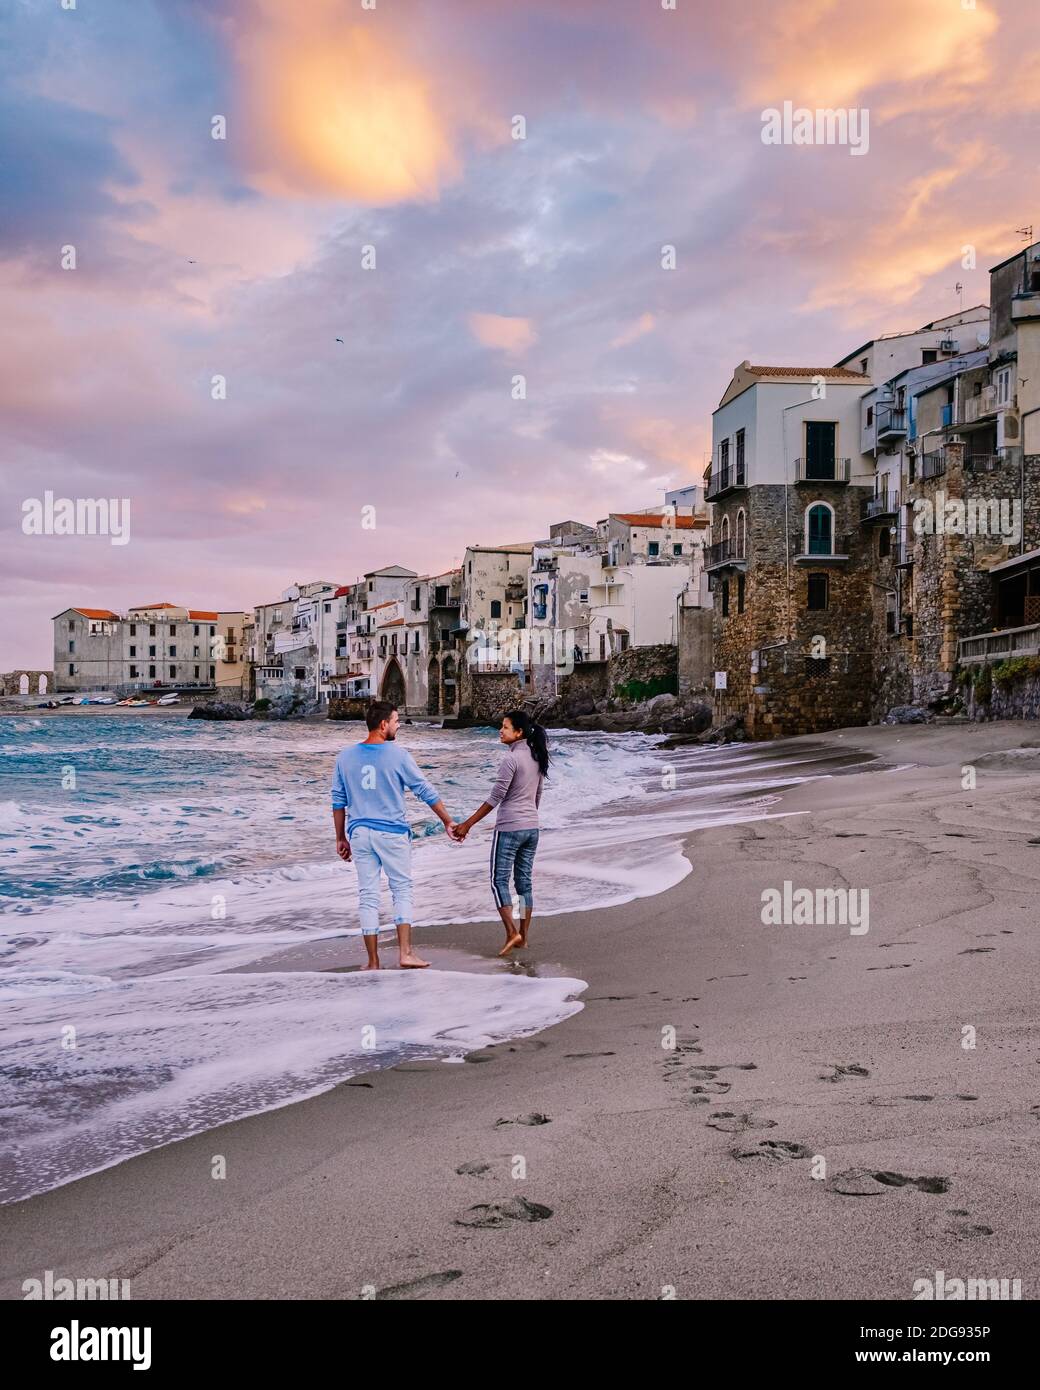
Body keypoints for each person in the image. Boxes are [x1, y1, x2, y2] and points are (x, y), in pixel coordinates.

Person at [332, 700, 457, 970]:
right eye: (396, 720)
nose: (398, 725)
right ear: (383, 724)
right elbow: (425, 791)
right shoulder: (398, 755)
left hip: (360, 834)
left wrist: (340, 838)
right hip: (391, 833)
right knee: (401, 890)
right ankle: (405, 953)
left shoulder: (345, 757)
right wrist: (447, 821)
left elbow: (338, 801)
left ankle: (373, 961)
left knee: (367, 894)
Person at [453, 710, 549, 956]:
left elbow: (496, 797)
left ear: (518, 732)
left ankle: (511, 932)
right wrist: (527, 819)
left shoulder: (511, 759)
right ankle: (524, 937)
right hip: (531, 828)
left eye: (505, 727)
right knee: (523, 884)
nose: (500, 730)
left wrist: (467, 824)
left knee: (499, 882)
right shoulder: (537, 756)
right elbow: (537, 796)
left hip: (509, 829)